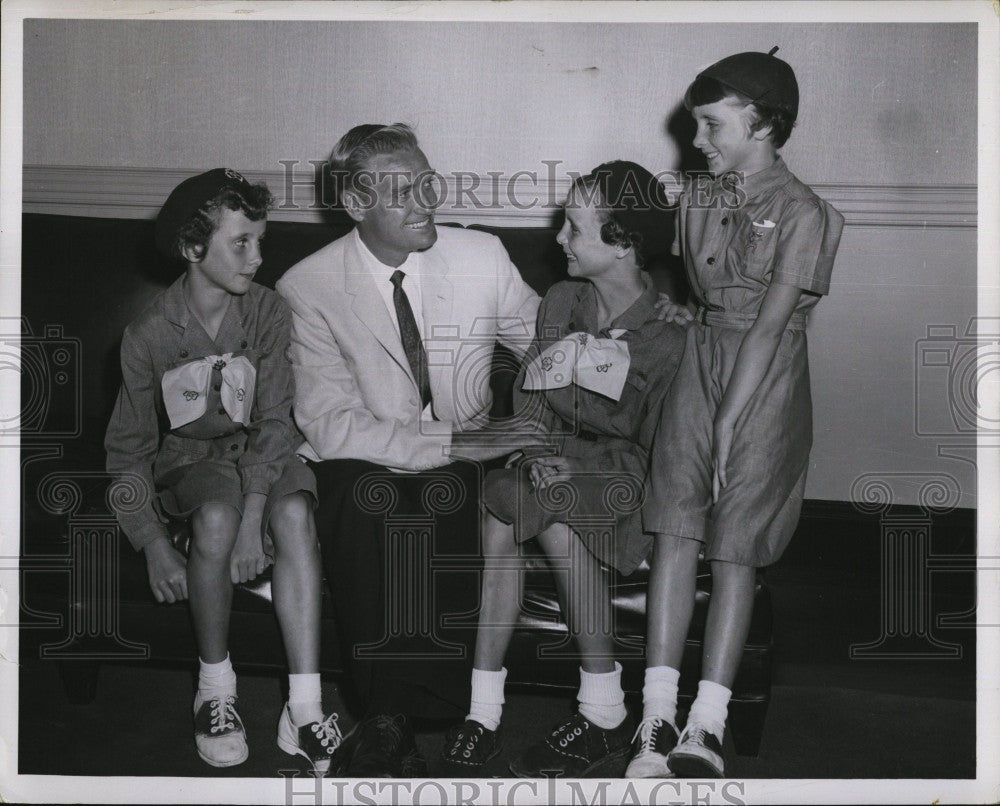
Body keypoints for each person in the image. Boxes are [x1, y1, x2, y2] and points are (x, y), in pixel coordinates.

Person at [275, 124, 543, 777]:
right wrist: (453, 442)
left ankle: (418, 713)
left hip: (464, 453)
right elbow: (330, 422)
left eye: (429, 180)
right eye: (404, 192)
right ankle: (387, 718)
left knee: (444, 499)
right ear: (356, 205)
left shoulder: (482, 255)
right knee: (374, 505)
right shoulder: (307, 286)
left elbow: (551, 343)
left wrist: (641, 329)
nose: (427, 200)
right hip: (362, 453)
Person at [627, 49, 845, 779]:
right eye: (696, 126)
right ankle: (655, 719)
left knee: (735, 544)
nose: (699, 141)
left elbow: (770, 323)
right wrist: (677, 308)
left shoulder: (804, 213)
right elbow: (701, 292)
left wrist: (729, 417)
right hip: (703, 362)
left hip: (768, 375)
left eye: (713, 126)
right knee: (676, 525)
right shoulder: (698, 196)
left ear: (764, 124)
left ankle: (707, 726)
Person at [438, 161, 687, 778]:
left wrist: (567, 466)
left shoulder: (668, 336)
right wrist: (534, 454)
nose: (559, 240)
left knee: (541, 511)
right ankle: (482, 712)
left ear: (624, 242)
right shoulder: (561, 300)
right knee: (504, 506)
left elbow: (662, 448)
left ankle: (603, 704)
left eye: (574, 229)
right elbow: (530, 405)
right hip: (545, 462)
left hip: (622, 476)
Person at [105, 169, 342, 776]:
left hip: (267, 450)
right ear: (192, 249)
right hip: (194, 462)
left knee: (294, 512)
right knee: (213, 520)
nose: (258, 257)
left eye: (261, 240)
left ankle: (306, 708)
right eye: (241, 242)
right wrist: (153, 542)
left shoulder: (268, 312)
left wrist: (256, 510)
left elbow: (276, 417)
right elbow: (129, 450)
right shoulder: (148, 334)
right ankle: (215, 690)